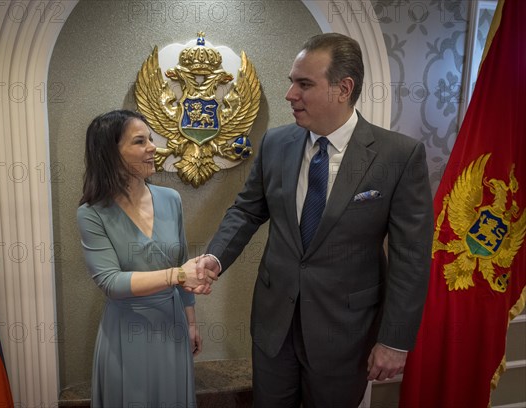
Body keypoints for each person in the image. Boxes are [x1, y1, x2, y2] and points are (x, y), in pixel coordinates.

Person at [194, 33, 434, 407]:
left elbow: (412, 258)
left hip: (346, 333)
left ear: (343, 88)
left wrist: (395, 341)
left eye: (304, 84)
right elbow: (246, 209)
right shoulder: (276, 144)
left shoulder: (398, 156)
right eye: (292, 81)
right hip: (274, 328)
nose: (290, 94)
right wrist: (215, 257)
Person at [77, 109, 210, 407]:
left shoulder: (171, 199)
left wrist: (190, 323)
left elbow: (183, 260)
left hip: (172, 325)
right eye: (140, 141)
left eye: (150, 139)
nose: (153, 147)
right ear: (110, 153)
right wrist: (175, 275)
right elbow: (111, 282)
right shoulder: (92, 214)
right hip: (127, 333)